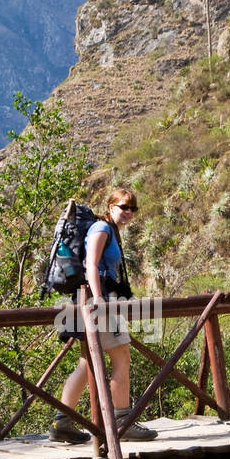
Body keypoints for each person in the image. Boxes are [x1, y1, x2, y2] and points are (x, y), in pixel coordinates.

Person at [49, 187, 158, 443]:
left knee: (88, 361)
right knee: (121, 356)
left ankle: (62, 421)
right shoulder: (101, 229)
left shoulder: (107, 229)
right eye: (124, 207)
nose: (129, 212)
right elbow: (91, 264)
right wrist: (98, 300)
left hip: (89, 299)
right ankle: (123, 421)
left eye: (133, 208)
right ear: (110, 207)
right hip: (100, 300)